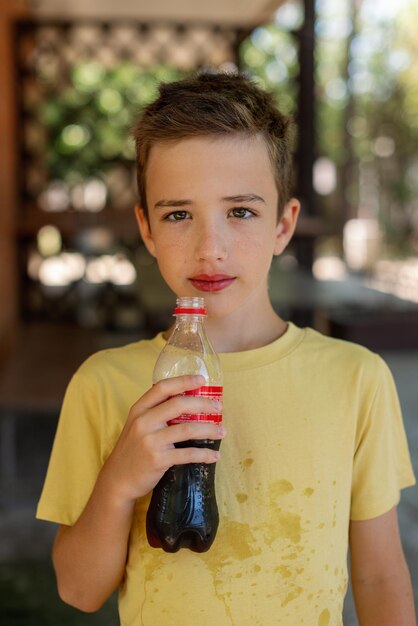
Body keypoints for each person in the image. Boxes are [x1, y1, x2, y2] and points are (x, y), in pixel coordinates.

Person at [37, 72, 416, 626]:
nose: (210, 249)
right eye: (178, 214)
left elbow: (380, 576)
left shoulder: (356, 378)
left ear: (283, 225)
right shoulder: (103, 383)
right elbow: (78, 589)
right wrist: (120, 480)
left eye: (240, 211)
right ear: (145, 228)